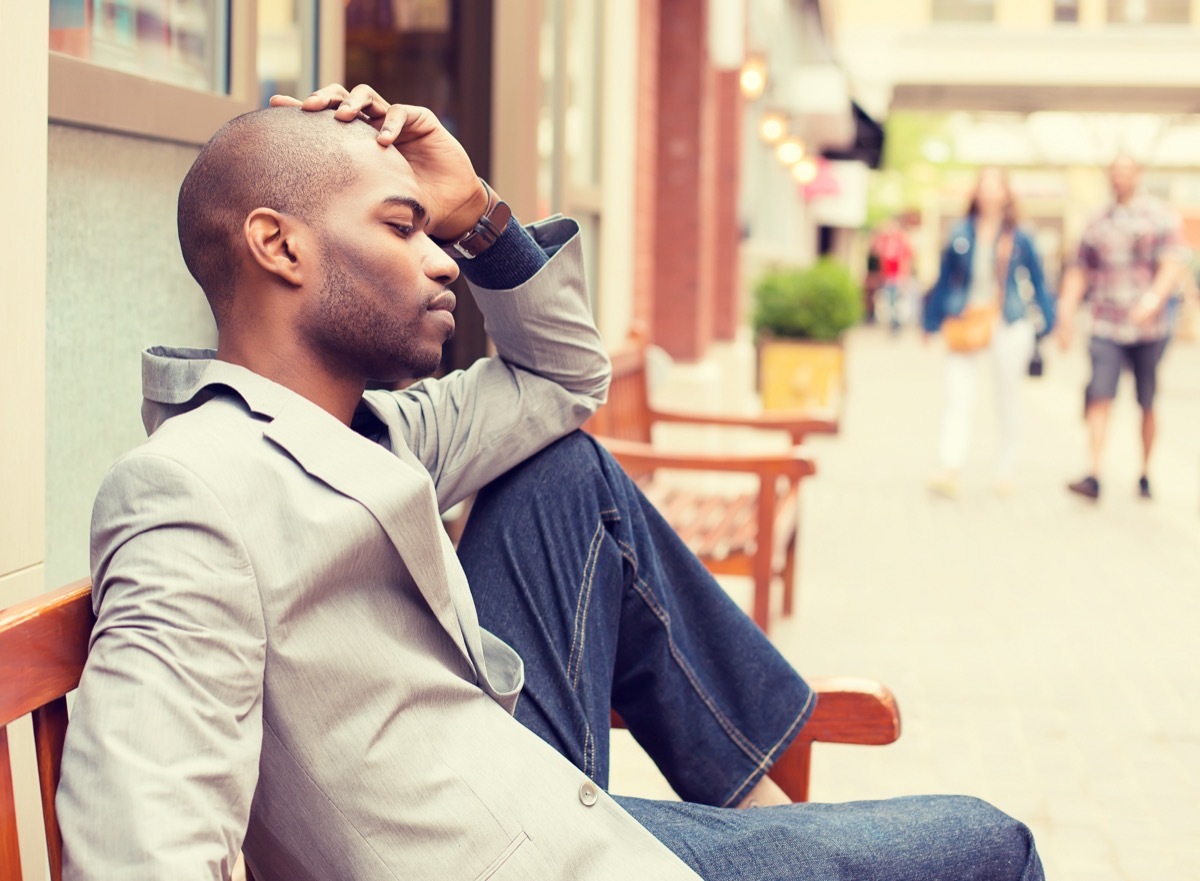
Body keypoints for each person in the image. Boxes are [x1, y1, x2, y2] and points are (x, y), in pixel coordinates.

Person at [56, 83, 1045, 881]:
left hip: (519, 789)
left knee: (565, 468)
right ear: (280, 246)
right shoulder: (191, 494)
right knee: (992, 844)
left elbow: (564, 379)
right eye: (404, 227)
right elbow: (141, 837)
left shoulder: (372, 432)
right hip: (490, 848)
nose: (442, 260)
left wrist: (481, 211)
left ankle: (765, 818)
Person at [1057, 154, 1187, 501]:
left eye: (1127, 172)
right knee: (1099, 395)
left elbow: (1172, 265)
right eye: (1115, 172)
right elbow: (1079, 269)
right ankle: (1094, 473)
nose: (1121, 179)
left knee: (1146, 401)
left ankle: (1145, 472)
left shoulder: (1159, 216)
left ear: (1139, 175)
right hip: (1105, 323)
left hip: (1149, 328)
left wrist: (1151, 302)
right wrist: (1066, 312)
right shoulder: (1097, 220)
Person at [923, 167, 1056, 498]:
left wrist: (1049, 322)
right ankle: (950, 465)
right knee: (958, 396)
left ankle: (1005, 470)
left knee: (1007, 396)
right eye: (985, 186)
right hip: (966, 319)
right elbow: (943, 279)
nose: (990, 193)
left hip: (1007, 320)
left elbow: (1038, 281)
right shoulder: (960, 232)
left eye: (997, 187)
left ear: (1007, 193)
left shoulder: (1020, 236)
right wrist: (930, 320)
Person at [870, 216, 914, 333]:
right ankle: (894, 322)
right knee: (890, 300)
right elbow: (875, 249)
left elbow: (908, 257)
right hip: (887, 276)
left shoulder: (901, 239)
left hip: (899, 276)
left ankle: (897, 322)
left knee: (897, 300)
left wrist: (905, 275)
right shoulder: (885, 239)